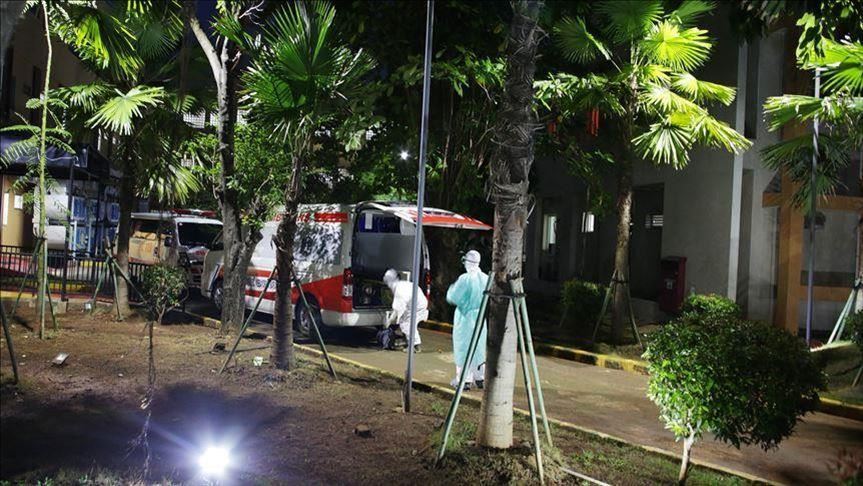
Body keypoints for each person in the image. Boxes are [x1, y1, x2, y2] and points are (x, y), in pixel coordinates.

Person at [446, 250, 488, 390]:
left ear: (468, 262)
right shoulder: (486, 278)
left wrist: (451, 290)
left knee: (463, 348)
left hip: (465, 318)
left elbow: (453, 297)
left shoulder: (465, 278)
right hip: (480, 316)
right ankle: (480, 377)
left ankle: (464, 380)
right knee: (478, 347)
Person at [383, 268, 427, 353]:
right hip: (418, 303)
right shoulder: (401, 284)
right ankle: (408, 341)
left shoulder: (399, 290)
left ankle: (415, 346)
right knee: (405, 321)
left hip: (417, 306)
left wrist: (389, 321)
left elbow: (397, 309)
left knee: (407, 324)